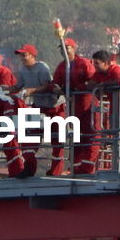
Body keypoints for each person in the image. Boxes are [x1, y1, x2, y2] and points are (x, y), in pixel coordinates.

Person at [37, 38, 96, 175]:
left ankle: (86, 169)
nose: (64, 50)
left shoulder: (84, 64)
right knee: (76, 138)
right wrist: (56, 88)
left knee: (89, 137)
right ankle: (76, 167)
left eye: (67, 47)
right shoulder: (62, 67)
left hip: (87, 106)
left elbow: (93, 80)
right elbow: (55, 82)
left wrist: (75, 88)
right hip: (73, 108)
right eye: (62, 48)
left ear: (74, 48)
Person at [10, 44, 61, 175]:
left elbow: (47, 85)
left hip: (52, 108)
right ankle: (29, 168)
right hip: (37, 107)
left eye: (24, 55)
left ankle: (56, 171)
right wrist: (3, 90)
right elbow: (18, 86)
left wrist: (32, 90)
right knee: (28, 138)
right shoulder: (22, 70)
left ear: (32, 56)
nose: (22, 58)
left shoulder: (42, 68)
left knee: (57, 139)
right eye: (21, 55)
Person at [89, 49, 120, 171]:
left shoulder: (116, 70)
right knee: (116, 137)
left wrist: (103, 85)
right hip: (114, 108)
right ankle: (118, 166)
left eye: (97, 63)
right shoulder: (99, 74)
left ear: (105, 63)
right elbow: (90, 84)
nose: (94, 66)